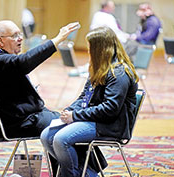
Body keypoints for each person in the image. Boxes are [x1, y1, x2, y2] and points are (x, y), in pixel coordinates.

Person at [0, 20, 79, 175]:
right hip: (16, 123)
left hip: (15, 118)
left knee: (66, 123)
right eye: (14, 36)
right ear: (0, 41)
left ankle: (73, 171)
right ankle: (78, 172)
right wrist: (57, 39)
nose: (20, 38)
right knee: (66, 129)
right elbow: (24, 62)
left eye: (20, 34)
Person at [41, 26, 139, 177]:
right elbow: (84, 97)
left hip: (111, 124)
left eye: (90, 48)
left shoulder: (119, 73)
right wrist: (70, 110)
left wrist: (75, 116)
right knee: (46, 135)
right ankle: (86, 174)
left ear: (100, 49)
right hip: (94, 119)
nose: (88, 51)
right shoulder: (99, 68)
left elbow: (110, 109)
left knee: (61, 139)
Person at [69, 0, 129, 77]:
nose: (114, 7)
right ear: (107, 7)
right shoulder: (107, 17)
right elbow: (114, 31)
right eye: (112, 6)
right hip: (105, 42)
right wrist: (125, 37)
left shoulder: (97, 15)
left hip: (98, 41)